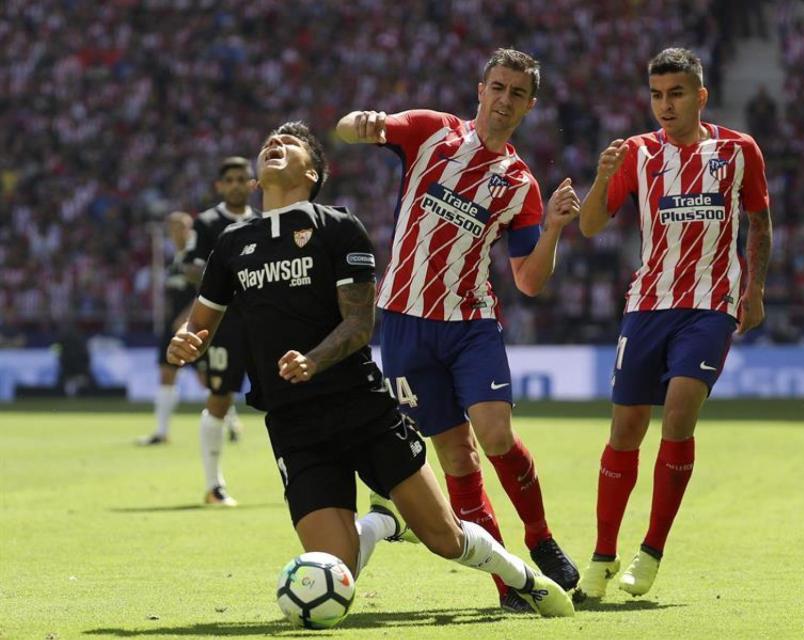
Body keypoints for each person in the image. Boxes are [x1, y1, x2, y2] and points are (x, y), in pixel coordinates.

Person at [166, 121, 574, 618]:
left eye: (289, 143)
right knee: (335, 569)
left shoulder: (337, 227)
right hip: (292, 422)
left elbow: (360, 323)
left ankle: (522, 577)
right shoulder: (232, 244)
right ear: (255, 181)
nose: (274, 144)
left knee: (445, 539)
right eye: (268, 141)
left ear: (312, 173)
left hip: (360, 407)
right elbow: (202, 322)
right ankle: (383, 523)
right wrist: (186, 340)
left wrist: (313, 360)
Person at [336, 48, 580, 611]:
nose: (505, 100)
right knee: (457, 458)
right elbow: (356, 128)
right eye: (498, 87)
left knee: (495, 435)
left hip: (471, 324)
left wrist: (555, 231)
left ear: (529, 105)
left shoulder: (520, 184)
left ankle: (540, 538)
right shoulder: (429, 134)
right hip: (402, 324)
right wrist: (361, 123)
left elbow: (529, 281)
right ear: (481, 89)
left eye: (517, 94)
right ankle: (508, 583)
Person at [576, 47, 772, 599]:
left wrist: (753, 291)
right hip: (647, 305)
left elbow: (760, 222)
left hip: (711, 303)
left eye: (677, 93)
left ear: (700, 96)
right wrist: (601, 177)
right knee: (625, 430)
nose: (665, 105)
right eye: (658, 95)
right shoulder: (636, 154)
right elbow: (590, 227)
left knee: (679, 413)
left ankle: (652, 551)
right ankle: (602, 556)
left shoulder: (738, 150)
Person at [183, 157, 258, 506]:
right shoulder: (208, 223)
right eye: (229, 179)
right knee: (220, 397)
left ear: (253, 184)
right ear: (219, 186)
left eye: (242, 178)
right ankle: (214, 486)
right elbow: (189, 266)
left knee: (286, 399)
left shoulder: (263, 223)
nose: (236, 184)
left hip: (262, 323)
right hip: (224, 326)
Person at [137, 211, 206, 446]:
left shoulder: (195, 259)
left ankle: (230, 421)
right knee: (166, 374)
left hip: (193, 325)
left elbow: (205, 291)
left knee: (207, 380)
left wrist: (187, 318)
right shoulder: (173, 261)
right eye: (174, 227)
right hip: (173, 325)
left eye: (183, 227)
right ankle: (161, 431)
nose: (179, 231)